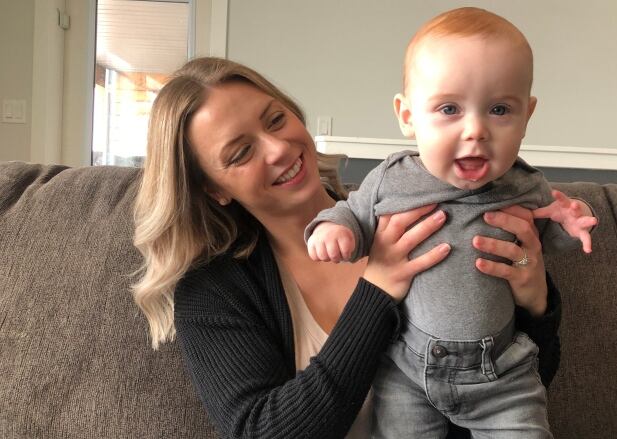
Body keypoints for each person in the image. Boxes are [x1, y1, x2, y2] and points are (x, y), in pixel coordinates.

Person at [131, 56, 564, 439]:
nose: (280, 148)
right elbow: (262, 431)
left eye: (276, 119)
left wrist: (537, 307)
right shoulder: (215, 290)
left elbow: (519, 391)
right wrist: (375, 293)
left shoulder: (417, 210)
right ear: (213, 190)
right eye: (242, 152)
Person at [305, 7, 597, 438]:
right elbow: (350, 211)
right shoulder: (392, 179)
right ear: (407, 116)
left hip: (503, 374)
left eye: (499, 109)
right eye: (449, 109)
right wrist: (335, 231)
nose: (476, 130)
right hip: (407, 370)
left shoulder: (526, 184)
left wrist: (574, 222)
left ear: (527, 116)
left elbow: (549, 235)